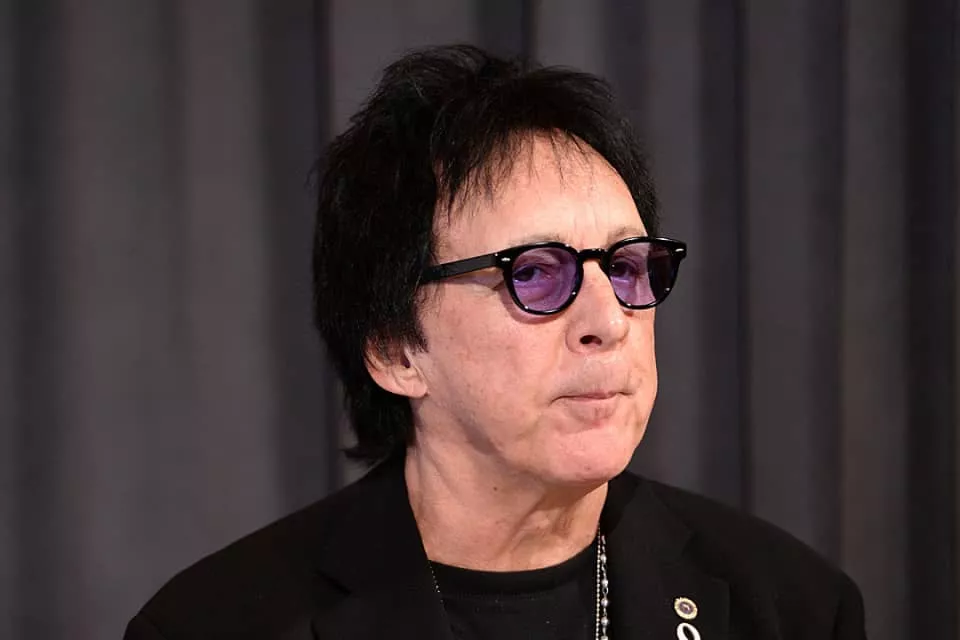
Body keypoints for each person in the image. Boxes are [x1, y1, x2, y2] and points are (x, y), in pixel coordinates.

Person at [124, 45, 866, 640]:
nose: (609, 321)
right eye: (535, 274)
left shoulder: (789, 607)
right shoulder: (213, 624)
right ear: (395, 350)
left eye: (625, 267)